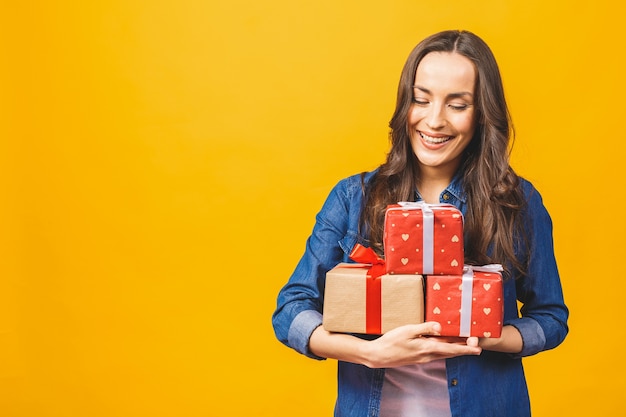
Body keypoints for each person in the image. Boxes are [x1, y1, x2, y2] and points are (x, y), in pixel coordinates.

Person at [272, 30, 568, 417]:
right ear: (404, 103)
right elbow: (291, 311)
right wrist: (369, 352)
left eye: (457, 105)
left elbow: (551, 318)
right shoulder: (353, 198)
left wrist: (479, 335)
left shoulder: (517, 203)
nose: (434, 120)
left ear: (482, 114)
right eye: (421, 99)